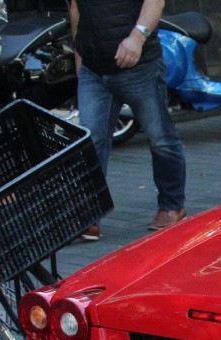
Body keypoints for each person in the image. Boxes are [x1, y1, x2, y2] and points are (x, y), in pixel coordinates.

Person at [69, 0, 185, 240]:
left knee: (160, 138)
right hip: (94, 67)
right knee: (90, 143)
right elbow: (76, 7)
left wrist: (137, 38)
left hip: (139, 66)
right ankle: (89, 217)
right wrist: (79, 56)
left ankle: (172, 206)